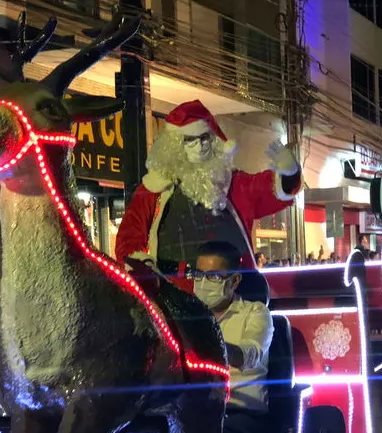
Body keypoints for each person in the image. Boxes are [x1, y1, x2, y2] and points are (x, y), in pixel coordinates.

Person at [115, 100, 302, 291]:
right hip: (175, 295)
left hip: (234, 293)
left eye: (204, 138)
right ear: (174, 145)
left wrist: (288, 175)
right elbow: (129, 238)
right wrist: (143, 269)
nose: (199, 146)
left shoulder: (232, 184)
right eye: (190, 140)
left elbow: (267, 190)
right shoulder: (154, 189)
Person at [191, 241, 274, 414]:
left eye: (213, 276)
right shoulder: (188, 315)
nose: (203, 283)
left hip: (240, 412)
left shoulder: (256, 313)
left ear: (234, 281)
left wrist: (210, 346)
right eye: (198, 274)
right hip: (195, 410)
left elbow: (249, 355)